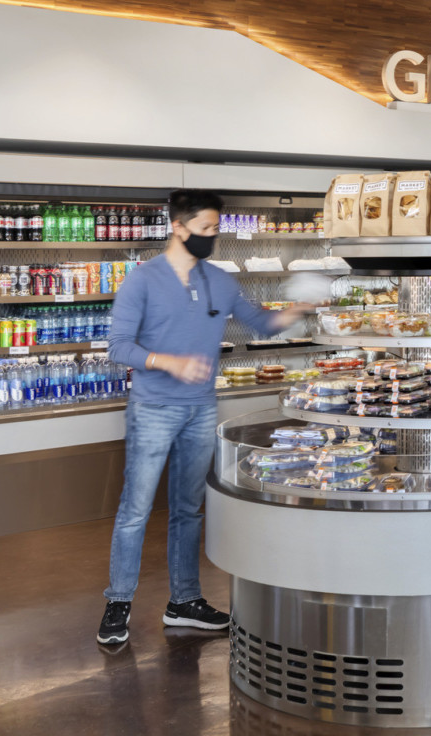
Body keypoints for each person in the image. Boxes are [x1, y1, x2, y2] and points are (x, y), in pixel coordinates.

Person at [97, 189, 307, 647]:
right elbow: (118, 347)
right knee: (135, 510)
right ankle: (118, 603)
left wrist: (297, 310)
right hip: (153, 408)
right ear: (179, 227)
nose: (213, 237)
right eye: (206, 229)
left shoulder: (221, 281)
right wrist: (169, 362)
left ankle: (184, 602)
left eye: (216, 229)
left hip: (200, 409)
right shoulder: (142, 280)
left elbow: (261, 323)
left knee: (189, 509)